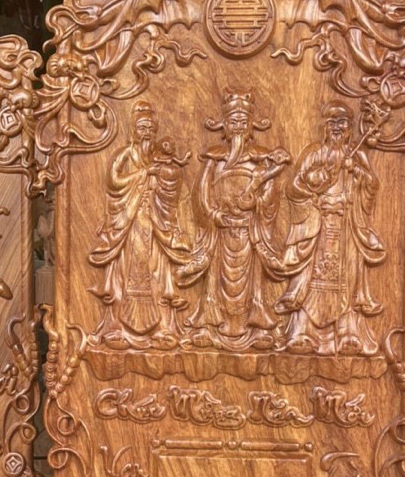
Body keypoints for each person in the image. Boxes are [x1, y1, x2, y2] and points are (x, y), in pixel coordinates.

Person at [179, 90, 290, 349]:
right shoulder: (215, 157)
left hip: (249, 231)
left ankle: (256, 328)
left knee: (252, 282)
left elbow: (270, 193)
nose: (238, 127)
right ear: (225, 126)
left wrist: (257, 203)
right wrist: (214, 214)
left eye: (243, 122)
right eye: (233, 122)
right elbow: (201, 192)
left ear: (250, 126)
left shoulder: (261, 158)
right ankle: (210, 325)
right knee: (215, 280)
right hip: (221, 232)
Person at [274, 102, 385, 354]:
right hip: (319, 225)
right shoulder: (315, 154)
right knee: (310, 279)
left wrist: (356, 172)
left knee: (348, 279)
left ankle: (346, 333)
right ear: (324, 126)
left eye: (342, 123)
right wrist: (315, 188)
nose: (337, 128)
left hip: (346, 226)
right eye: (332, 123)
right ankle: (302, 331)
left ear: (350, 127)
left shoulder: (357, 156)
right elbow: (294, 187)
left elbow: (372, 186)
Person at [89, 101, 191, 348]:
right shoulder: (126, 154)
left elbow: (172, 182)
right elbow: (113, 180)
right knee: (124, 274)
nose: (147, 133)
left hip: (154, 221)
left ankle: (163, 327)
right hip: (130, 222)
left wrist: (162, 178)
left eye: (150, 128)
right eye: (142, 127)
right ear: (134, 130)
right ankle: (117, 326)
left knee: (158, 272)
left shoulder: (158, 156)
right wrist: (144, 174)